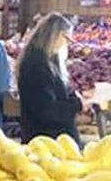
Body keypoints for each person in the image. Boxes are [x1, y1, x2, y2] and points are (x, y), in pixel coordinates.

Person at [17, 11, 82, 144]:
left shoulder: (49, 59)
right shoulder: (36, 64)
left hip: (52, 138)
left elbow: (56, 95)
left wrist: (75, 97)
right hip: (45, 140)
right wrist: (77, 104)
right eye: (66, 38)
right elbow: (46, 109)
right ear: (55, 36)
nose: (67, 44)